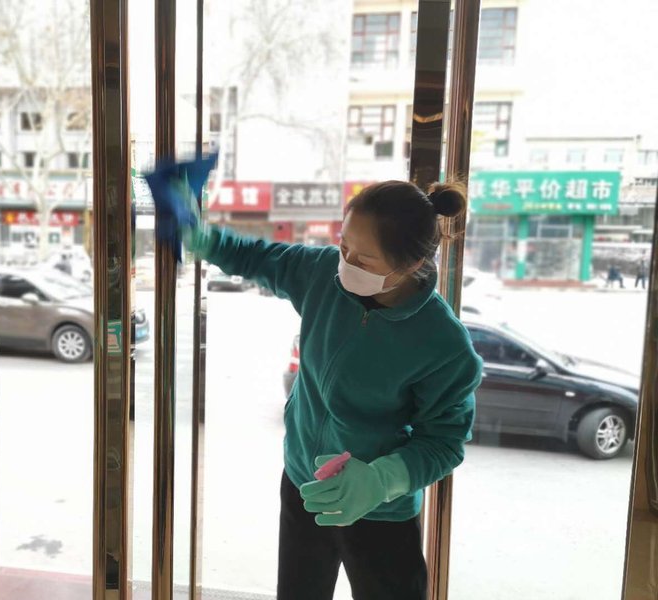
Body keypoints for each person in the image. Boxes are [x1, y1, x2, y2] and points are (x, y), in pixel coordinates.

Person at [182, 180, 483, 600]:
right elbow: (259, 258)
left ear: (412, 264)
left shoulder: (443, 344)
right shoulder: (323, 273)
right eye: (344, 246)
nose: (346, 263)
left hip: (379, 508)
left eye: (364, 259)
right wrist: (204, 239)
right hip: (305, 485)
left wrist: (381, 480)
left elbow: (444, 442)